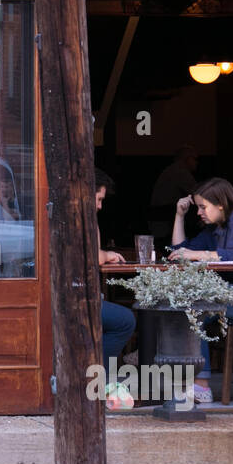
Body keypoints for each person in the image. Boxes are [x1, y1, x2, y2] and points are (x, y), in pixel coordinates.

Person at [168, 177, 233, 404]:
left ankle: (201, 385)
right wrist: (179, 215)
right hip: (232, 296)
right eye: (197, 207)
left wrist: (197, 255)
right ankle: (196, 382)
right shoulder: (215, 230)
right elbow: (179, 251)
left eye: (203, 207)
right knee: (189, 306)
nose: (199, 212)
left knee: (195, 303)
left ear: (220, 204)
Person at [95, 169, 135, 406]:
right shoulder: (80, 218)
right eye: (98, 199)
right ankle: (101, 379)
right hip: (74, 299)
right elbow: (91, 255)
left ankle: (101, 378)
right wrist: (106, 254)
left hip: (79, 296)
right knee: (124, 320)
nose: (100, 206)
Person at [148, 146, 199, 245]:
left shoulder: (172, 169)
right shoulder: (180, 171)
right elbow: (199, 193)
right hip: (165, 221)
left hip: (160, 219)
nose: (197, 162)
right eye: (195, 159)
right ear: (187, 158)